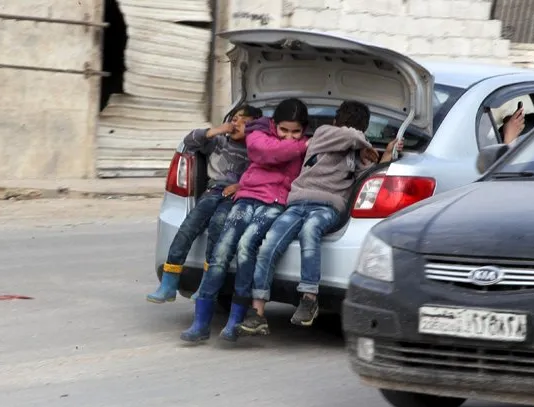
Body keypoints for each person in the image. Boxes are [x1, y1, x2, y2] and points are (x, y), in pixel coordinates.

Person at [237, 101, 403, 336]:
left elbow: (367, 176)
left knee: (310, 230)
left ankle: (309, 298)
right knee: (269, 244)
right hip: (298, 202)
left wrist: (384, 156)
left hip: (328, 206)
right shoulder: (324, 135)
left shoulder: (356, 152)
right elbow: (348, 135)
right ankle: (258, 312)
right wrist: (366, 143)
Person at [180, 98, 310, 343]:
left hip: (275, 203)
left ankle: (235, 320)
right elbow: (267, 153)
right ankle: (200, 323)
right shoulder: (260, 134)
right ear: (274, 125)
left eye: (296, 132)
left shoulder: (301, 144)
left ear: (304, 129)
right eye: (284, 130)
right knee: (220, 252)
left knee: (245, 247)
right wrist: (302, 146)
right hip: (246, 197)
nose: (290, 137)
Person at [146, 105, 263, 304]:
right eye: (235, 119)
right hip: (212, 191)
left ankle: (206, 286)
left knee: (217, 228)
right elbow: (189, 141)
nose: (237, 124)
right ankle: (168, 283)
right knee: (187, 228)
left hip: (234, 197)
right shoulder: (218, 142)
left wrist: (239, 186)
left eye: (245, 122)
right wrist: (216, 130)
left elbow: (261, 174)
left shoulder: (256, 151)